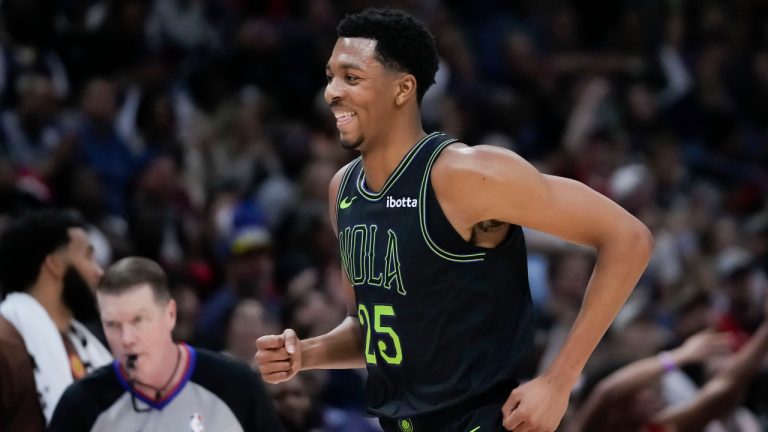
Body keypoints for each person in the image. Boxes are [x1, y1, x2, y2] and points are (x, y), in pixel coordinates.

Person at [256, 7, 653, 432]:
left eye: (351, 78)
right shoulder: (343, 191)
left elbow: (628, 238)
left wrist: (560, 380)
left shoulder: (467, 174)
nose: (332, 92)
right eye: (331, 76)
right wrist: (307, 354)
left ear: (403, 89)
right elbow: (371, 332)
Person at [49, 256, 284, 432]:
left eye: (139, 320)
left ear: (170, 314)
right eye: (113, 324)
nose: (127, 338)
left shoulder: (234, 385)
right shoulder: (81, 404)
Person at [572, 303, 768, 432]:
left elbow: (723, 390)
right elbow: (607, 391)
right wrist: (679, 356)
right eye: (637, 393)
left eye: (648, 389)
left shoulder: (656, 428)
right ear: (615, 411)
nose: (651, 395)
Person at [0, 209, 112, 432]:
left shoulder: (84, 344)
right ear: (54, 264)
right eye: (88, 256)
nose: (99, 272)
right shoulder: (5, 344)